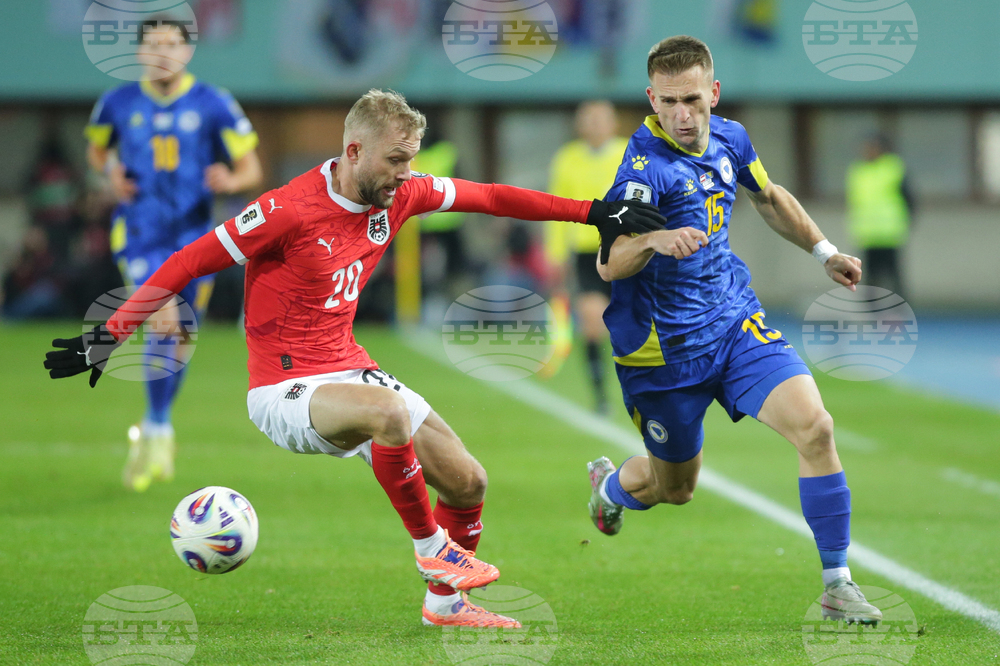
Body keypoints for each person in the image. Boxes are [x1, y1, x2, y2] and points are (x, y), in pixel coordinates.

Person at [45, 89, 665, 627]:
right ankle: (429, 548)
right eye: (396, 160)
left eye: (411, 160)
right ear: (353, 153)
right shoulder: (286, 210)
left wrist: (594, 213)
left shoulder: (404, 193)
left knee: (468, 480)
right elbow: (187, 263)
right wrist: (108, 336)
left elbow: (493, 197)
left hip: (348, 366)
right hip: (284, 390)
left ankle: (444, 605)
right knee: (390, 414)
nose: (406, 174)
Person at [584, 36, 883, 626]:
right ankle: (611, 487)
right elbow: (608, 263)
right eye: (668, 102)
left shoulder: (732, 137)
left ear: (713, 94)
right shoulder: (642, 169)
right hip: (662, 354)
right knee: (676, 489)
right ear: (652, 99)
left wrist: (823, 251)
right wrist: (652, 239)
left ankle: (836, 585)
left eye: (693, 99)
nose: (683, 114)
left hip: (734, 324)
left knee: (816, 428)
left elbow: (768, 197)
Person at [84, 18, 263, 491]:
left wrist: (232, 179)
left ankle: (156, 421)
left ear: (187, 52)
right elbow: (97, 152)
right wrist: (110, 176)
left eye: (172, 44)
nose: (162, 52)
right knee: (164, 316)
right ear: (140, 52)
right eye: (153, 44)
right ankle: (160, 430)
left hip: (197, 237)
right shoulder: (117, 103)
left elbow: (251, 167)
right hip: (140, 234)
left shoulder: (213, 102)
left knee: (182, 335)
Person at [545, 101, 629, 413]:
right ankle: (600, 395)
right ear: (580, 126)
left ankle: (641, 387)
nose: (594, 126)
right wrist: (554, 253)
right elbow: (555, 208)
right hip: (585, 251)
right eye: (588, 120)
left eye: (600, 120)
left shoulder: (629, 153)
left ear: (613, 123)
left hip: (625, 247)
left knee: (629, 322)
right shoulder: (567, 158)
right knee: (592, 321)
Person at [846, 134, 914, 297]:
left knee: (893, 275)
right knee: (869, 276)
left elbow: (909, 198)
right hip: (867, 233)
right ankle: (871, 312)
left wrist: (907, 221)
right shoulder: (857, 170)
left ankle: (900, 309)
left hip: (889, 232)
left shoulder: (894, 168)